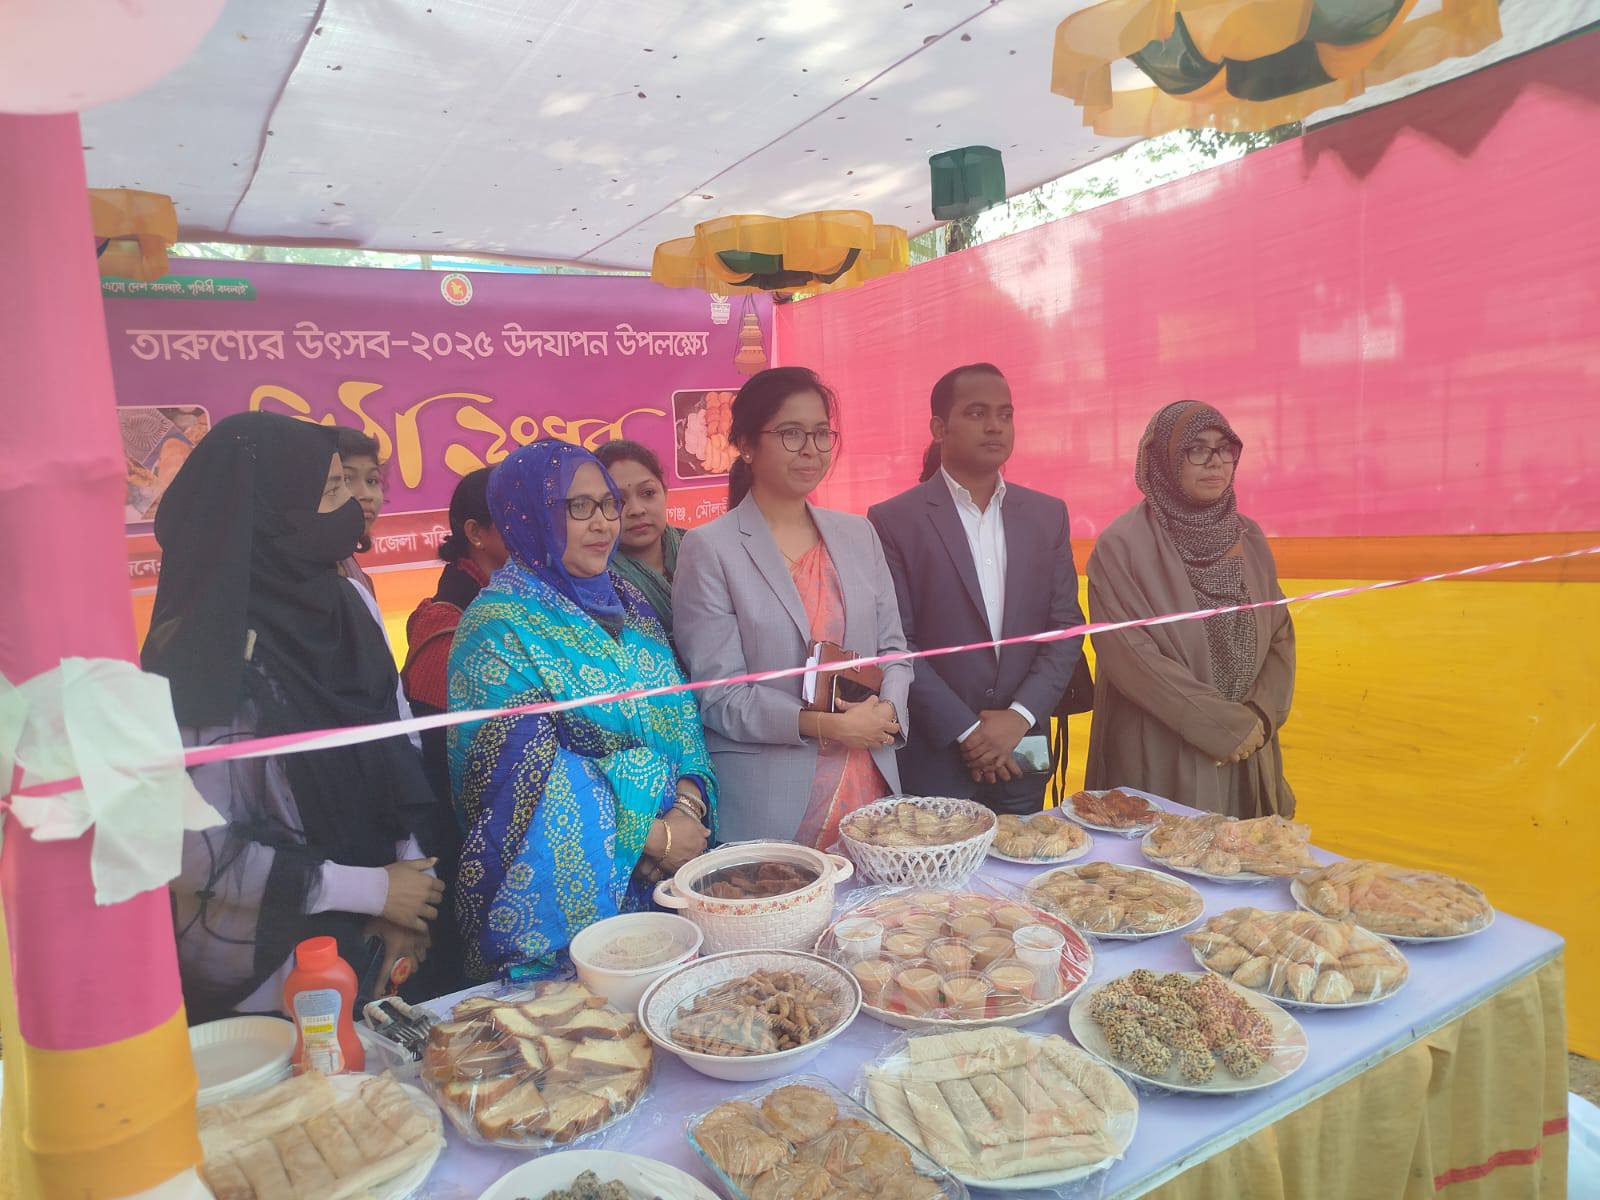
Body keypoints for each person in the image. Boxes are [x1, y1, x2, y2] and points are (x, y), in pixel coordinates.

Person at [143, 412, 446, 1022]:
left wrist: (408, 893)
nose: (350, 508)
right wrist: (374, 892)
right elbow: (194, 848)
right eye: (331, 491)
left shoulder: (344, 606)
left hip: (387, 925)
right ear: (268, 514)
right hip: (271, 975)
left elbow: (397, 743)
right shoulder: (196, 656)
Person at [447, 441, 715, 980]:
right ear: (527, 515)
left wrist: (687, 808)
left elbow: (682, 718)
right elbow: (521, 780)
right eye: (578, 507)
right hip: (572, 915)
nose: (603, 522)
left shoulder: (629, 605)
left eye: (607, 503)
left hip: (671, 882)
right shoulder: (496, 627)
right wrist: (652, 836)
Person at [674, 367, 912, 847]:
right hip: (772, 804)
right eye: (791, 433)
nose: (811, 449)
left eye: (822, 433)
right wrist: (830, 726)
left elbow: (894, 652)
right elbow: (720, 696)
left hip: (868, 785)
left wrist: (886, 710)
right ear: (745, 444)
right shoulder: (710, 549)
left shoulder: (858, 534)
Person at [869, 363, 1087, 814]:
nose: (994, 426)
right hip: (936, 753)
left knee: (1027, 855)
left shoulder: (1046, 515)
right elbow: (898, 644)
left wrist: (1019, 717)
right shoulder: (894, 521)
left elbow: (1065, 628)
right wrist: (968, 731)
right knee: (934, 861)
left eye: (1005, 414)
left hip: (1023, 749)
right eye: (976, 413)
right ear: (938, 428)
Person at [1085, 400, 1295, 818]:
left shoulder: (1249, 538)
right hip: (1163, 748)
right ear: (1163, 460)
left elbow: (1280, 635)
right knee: (1162, 852)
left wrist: (1259, 715)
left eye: (1224, 448)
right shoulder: (1122, 546)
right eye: (1196, 449)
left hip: (1248, 745)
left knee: (1242, 854)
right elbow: (1131, 657)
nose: (1215, 462)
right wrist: (1219, 726)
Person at [401, 467, 508, 801]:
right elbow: (445, 757)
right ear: (475, 533)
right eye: (516, 516)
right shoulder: (447, 630)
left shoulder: (509, 601)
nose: (537, 528)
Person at [334, 426, 421, 750]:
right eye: (347, 480)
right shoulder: (312, 578)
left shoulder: (356, 572)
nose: (366, 494)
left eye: (372, 481)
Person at [595, 439, 686, 638]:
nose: (636, 510)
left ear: (665, 493)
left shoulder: (701, 549)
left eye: (648, 493)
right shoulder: (598, 581)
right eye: (617, 501)